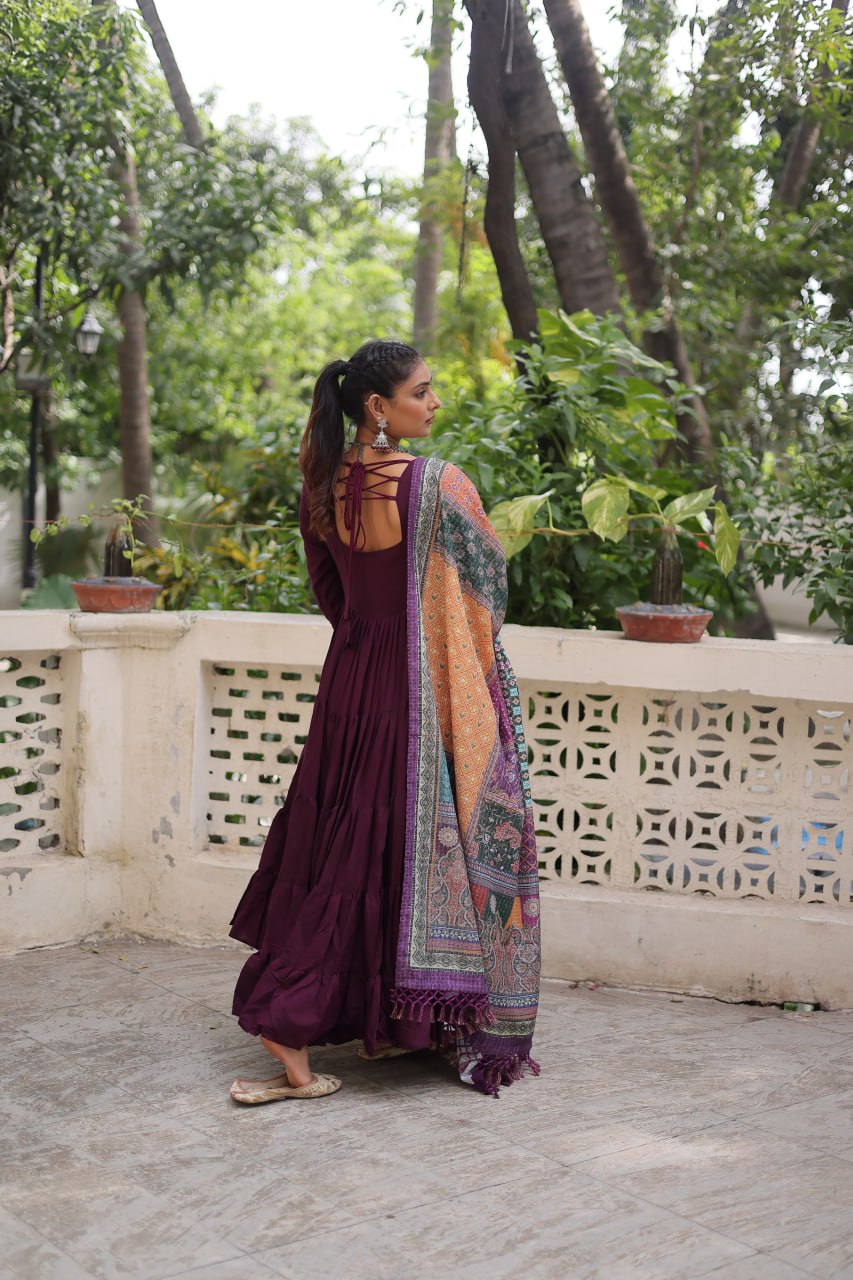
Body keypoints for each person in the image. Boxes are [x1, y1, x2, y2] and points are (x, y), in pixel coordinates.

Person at [228, 339, 540, 1104]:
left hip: (351, 679)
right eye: (421, 392)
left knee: (348, 846)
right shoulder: (438, 484)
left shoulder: (322, 485)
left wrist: (368, 636)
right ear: (378, 407)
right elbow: (488, 588)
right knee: (373, 855)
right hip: (414, 684)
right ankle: (287, 1021)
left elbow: (330, 594)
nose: (434, 403)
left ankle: (391, 1020)